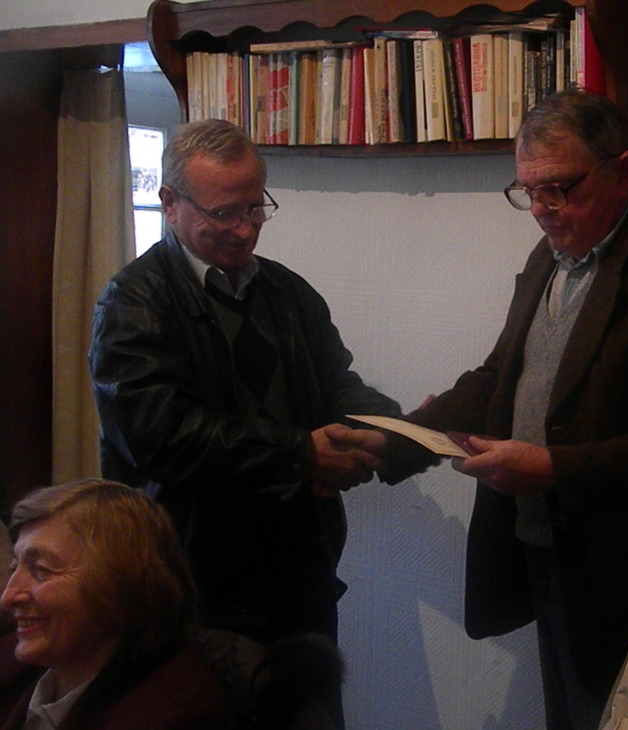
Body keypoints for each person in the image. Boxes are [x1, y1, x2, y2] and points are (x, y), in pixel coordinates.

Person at [377, 89, 628, 729]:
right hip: (546, 553)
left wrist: (552, 468)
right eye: (528, 191)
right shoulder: (552, 257)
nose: (541, 211)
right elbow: (499, 378)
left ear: (623, 171)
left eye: (558, 189)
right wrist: (396, 439)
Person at [88, 119, 397, 657]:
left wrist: (387, 429)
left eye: (255, 208)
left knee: (309, 700)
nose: (245, 230)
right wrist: (301, 453)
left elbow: (334, 384)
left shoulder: (288, 291)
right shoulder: (132, 303)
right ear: (169, 203)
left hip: (299, 567)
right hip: (192, 581)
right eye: (223, 213)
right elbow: (163, 439)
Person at [0, 478, 234, 729]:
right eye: (15, 566)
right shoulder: (16, 655)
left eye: (40, 569)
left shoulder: (174, 717)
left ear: (121, 585)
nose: (8, 597)